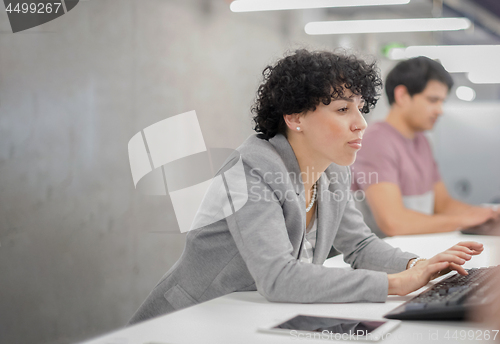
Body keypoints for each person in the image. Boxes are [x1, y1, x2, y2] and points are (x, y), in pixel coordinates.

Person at [129, 50, 484, 325]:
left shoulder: (331, 173)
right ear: (295, 117)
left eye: (361, 109)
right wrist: (395, 284)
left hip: (247, 318)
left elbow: (359, 246)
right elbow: (279, 278)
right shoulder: (249, 172)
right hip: (187, 322)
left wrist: (419, 264)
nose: (361, 124)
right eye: (343, 109)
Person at [351, 56, 499, 238]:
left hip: (415, 251)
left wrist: (488, 215)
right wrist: (464, 221)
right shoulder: (375, 140)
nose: (440, 110)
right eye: (432, 100)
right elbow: (394, 223)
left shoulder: (421, 140)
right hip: (383, 259)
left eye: (442, 101)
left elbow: (443, 204)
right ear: (402, 96)